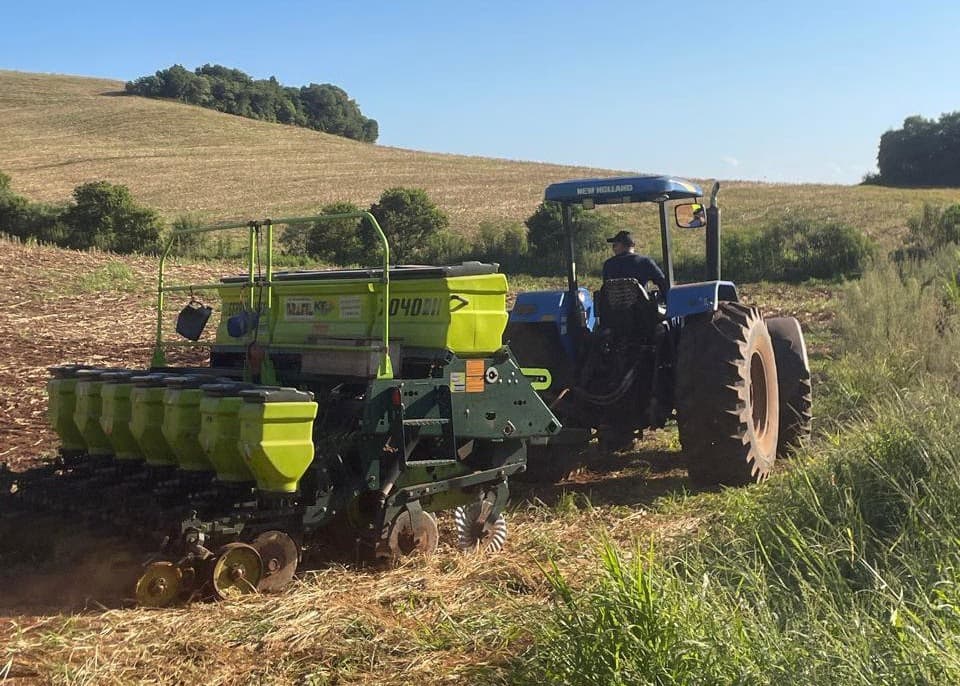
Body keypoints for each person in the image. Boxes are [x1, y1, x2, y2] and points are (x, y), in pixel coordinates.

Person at [601, 230, 668, 295]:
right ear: (633, 245)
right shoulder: (645, 262)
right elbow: (663, 283)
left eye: (614, 245)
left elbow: (605, 290)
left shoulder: (608, 264)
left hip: (613, 306)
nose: (613, 249)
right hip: (640, 305)